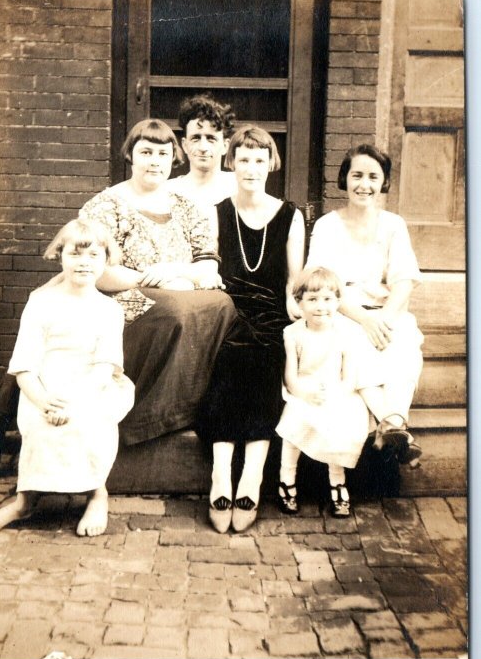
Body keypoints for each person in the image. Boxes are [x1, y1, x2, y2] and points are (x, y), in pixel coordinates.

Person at [76, 118, 237, 445]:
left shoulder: (185, 205)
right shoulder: (107, 204)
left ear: (172, 159)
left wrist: (175, 272)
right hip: (124, 298)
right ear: (130, 156)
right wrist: (150, 280)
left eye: (163, 154)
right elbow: (97, 272)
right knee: (174, 310)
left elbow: (207, 263)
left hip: (180, 288)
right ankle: (151, 418)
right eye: (146, 152)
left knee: (223, 305)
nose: (155, 161)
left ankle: (196, 408)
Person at [0, 219, 135, 537]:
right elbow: (24, 365)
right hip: (46, 383)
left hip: (94, 384)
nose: (83, 263)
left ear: (106, 261)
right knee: (38, 422)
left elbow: (105, 367)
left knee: (90, 421)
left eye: (93, 256)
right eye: (75, 255)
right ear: (60, 256)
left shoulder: (109, 310)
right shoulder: (41, 301)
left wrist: (72, 404)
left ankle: (95, 493)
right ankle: (25, 500)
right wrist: (43, 399)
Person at [195, 125, 305, 533]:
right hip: (228, 310)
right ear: (232, 162)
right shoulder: (217, 211)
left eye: (260, 160)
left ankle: (252, 476)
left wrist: (295, 310)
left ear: (271, 164)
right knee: (231, 353)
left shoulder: (291, 216)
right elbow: (208, 268)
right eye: (243, 159)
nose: (251, 168)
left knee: (266, 354)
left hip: (274, 312)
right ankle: (221, 476)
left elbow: (294, 279)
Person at [307, 144, 424, 466]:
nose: (364, 184)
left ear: (383, 182)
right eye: (357, 175)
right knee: (351, 342)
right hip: (341, 310)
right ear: (344, 178)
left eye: (374, 177)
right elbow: (323, 283)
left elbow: (403, 280)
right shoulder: (326, 226)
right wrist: (365, 320)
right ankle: (393, 423)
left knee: (405, 339)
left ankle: (394, 421)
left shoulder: (393, 225)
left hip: (385, 311)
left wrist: (384, 319)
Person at [276, 267, 373, 518]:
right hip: (304, 389)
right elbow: (291, 376)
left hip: (337, 391)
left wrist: (334, 396)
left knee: (338, 422)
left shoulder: (345, 333)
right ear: (299, 302)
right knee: (294, 421)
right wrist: (303, 393)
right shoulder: (293, 333)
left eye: (328, 299)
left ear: (338, 301)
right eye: (312, 299)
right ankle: (287, 478)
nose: (321, 307)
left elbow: (349, 378)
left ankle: (337, 482)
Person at [166, 93, 237, 214]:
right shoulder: (169, 191)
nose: (203, 147)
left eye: (211, 139)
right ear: (185, 145)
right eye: (195, 138)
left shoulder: (239, 187)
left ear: (225, 146)